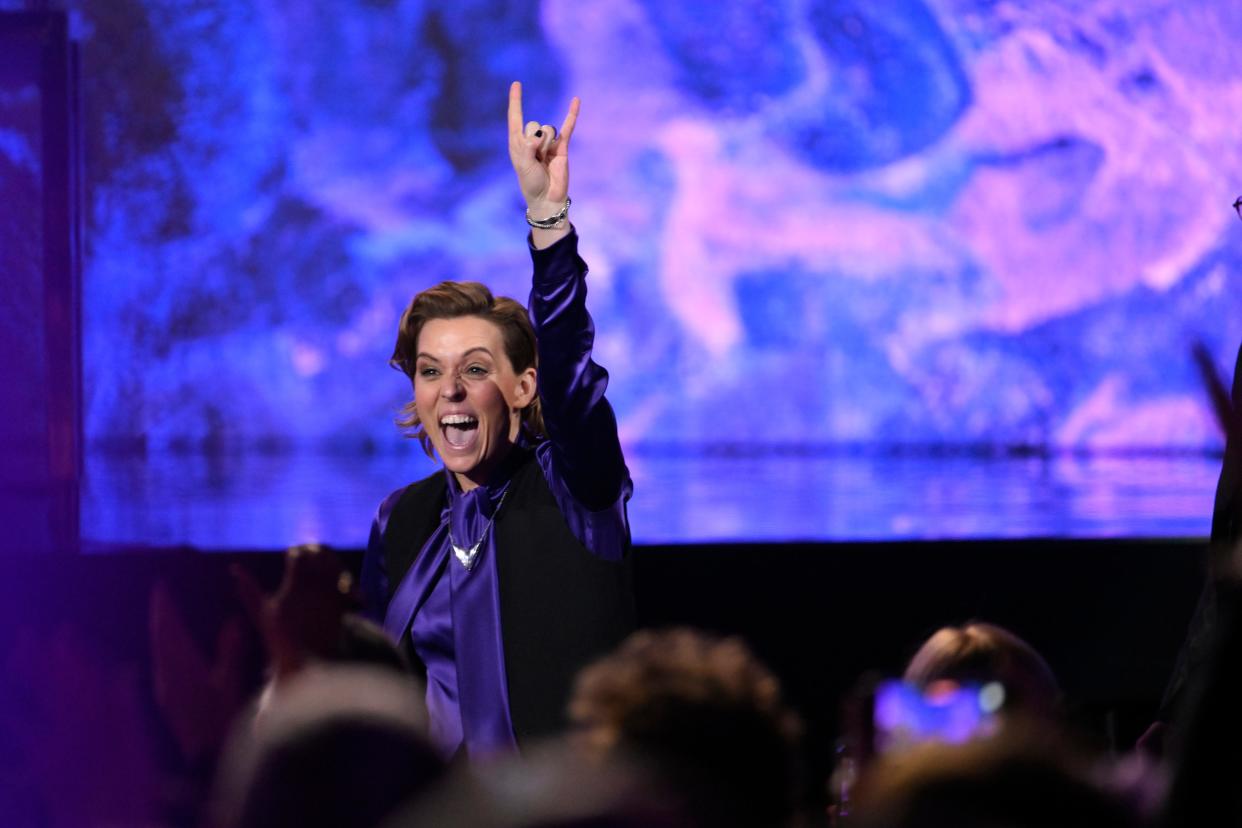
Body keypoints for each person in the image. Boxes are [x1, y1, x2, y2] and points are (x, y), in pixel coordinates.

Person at [360, 82, 635, 760]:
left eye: (476, 369)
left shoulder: (575, 490)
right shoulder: (401, 521)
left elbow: (573, 376)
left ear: (521, 387)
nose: (450, 389)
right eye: (430, 371)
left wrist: (547, 217)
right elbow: (381, 701)